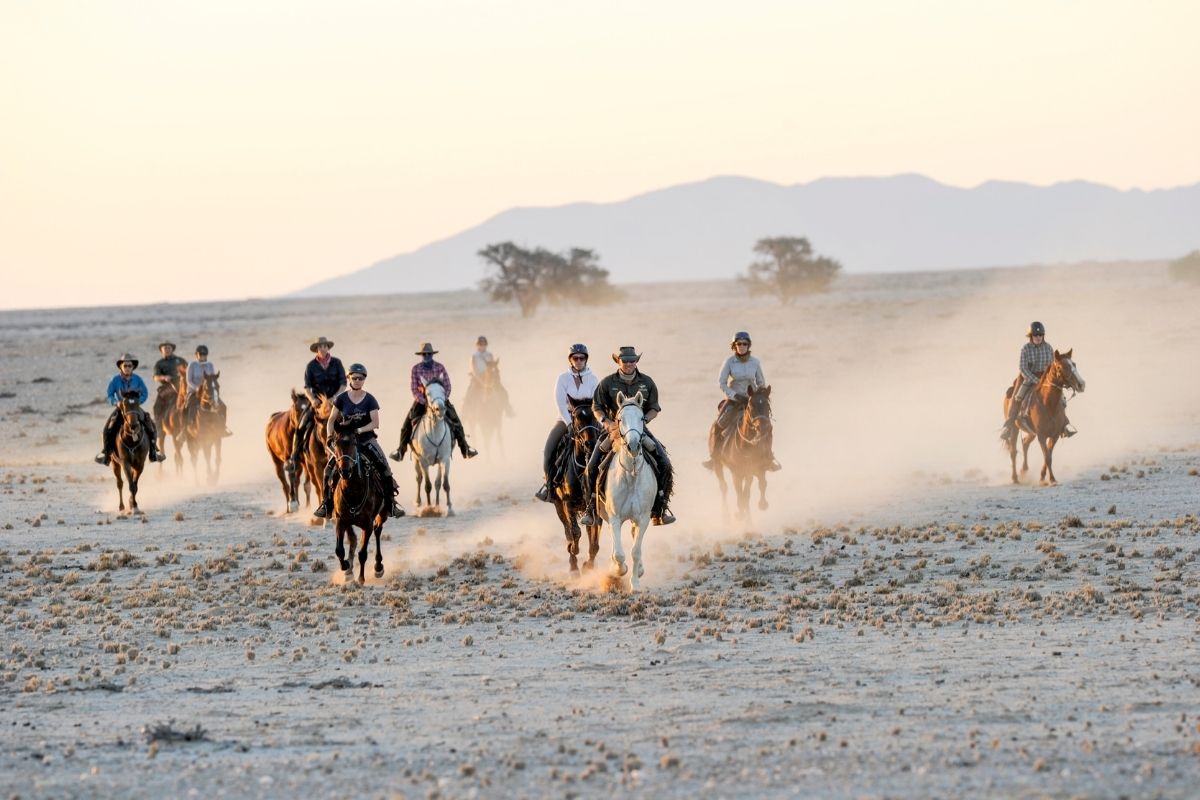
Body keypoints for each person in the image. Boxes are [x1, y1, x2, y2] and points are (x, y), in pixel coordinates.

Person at [579, 347, 675, 526]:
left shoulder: (647, 382)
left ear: (636, 361)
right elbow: (597, 407)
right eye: (626, 361)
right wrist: (607, 423)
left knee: (665, 463)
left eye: (633, 361)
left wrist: (644, 419)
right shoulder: (607, 383)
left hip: (639, 431)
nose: (629, 364)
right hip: (614, 432)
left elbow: (654, 407)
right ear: (619, 362)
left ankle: (661, 508)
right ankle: (590, 508)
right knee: (591, 467)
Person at [313, 363, 405, 519]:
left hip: (366, 439)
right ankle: (326, 504)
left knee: (384, 466)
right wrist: (330, 437)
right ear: (349, 378)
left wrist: (360, 430)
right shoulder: (341, 399)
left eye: (361, 378)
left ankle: (391, 504)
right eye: (354, 378)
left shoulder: (370, 399)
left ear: (364, 380)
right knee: (328, 470)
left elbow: (375, 423)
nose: (357, 380)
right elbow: (331, 421)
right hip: (347, 442)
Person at [702, 331, 781, 471]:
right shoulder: (729, 362)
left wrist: (759, 396)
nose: (742, 346)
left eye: (745, 344)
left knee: (766, 426)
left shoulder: (755, 363)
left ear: (748, 345)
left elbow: (761, 382)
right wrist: (735, 395)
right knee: (718, 425)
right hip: (734, 400)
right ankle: (714, 458)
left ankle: (769, 459)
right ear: (734, 346)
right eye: (739, 344)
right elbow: (722, 383)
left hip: (753, 400)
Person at [389, 342, 478, 461]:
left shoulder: (440, 367)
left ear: (432, 354)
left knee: (456, 421)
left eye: (429, 354)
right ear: (421, 355)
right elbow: (414, 389)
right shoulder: (416, 369)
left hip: (440, 400)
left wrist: (441, 399)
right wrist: (424, 401)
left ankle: (465, 449)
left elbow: (447, 385)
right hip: (422, 401)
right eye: (424, 354)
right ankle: (401, 451)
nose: (427, 356)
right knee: (406, 425)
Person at [535, 343, 598, 502]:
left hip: (588, 421)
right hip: (566, 419)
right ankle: (548, 486)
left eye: (581, 358)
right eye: (575, 358)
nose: (578, 361)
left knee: (606, 446)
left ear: (586, 359)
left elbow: (596, 403)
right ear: (570, 360)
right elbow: (560, 404)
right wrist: (569, 423)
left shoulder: (593, 379)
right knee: (549, 449)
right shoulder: (562, 378)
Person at [1001, 321, 1077, 439]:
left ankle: (1065, 424)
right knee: (1018, 396)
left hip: (1045, 377)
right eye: (1035, 336)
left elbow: (1053, 365)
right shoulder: (1025, 349)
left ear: (1043, 336)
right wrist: (1035, 380)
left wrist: (1051, 379)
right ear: (1031, 337)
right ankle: (1009, 425)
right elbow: (1022, 368)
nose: (1038, 337)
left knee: (1060, 398)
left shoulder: (1048, 348)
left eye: (1040, 335)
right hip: (1028, 377)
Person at [288, 336, 346, 474]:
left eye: (325, 346)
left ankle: (358, 451)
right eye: (320, 346)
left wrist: (335, 397)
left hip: (335, 401)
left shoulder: (337, 363)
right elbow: (307, 388)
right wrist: (312, 399)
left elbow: (343, 383)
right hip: (317, 403)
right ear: (316, 349)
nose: (323, 348)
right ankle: (294, 458)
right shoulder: (311, 366)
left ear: (328, 347)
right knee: (301, 425)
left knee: (350, 421)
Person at [95, 354, 165, 465]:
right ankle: (106, 454)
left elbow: (145, 393)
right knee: (107, 429)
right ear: (121, 367)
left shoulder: (138, 379)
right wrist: (116, 402)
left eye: (130, 366)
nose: (127, 367)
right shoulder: (115, 380)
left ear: (133, 367)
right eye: (125, 365)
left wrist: (137, 403)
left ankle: (153, 452)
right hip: (121, 408)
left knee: (151, 426)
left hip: (135, 409)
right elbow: (109, 395)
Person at [185, 344, 232, 436]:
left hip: (208, 392)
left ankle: (222, 427)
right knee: (189, 406)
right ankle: (186, 428)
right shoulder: (192, 365)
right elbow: (188, 380)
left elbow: (212, 378)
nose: (202, 356)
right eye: (200, 354)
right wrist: (197, 388)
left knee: (223, 406)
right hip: (194, 391)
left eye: (204, 355)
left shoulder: (210, 365)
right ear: (196, 355)